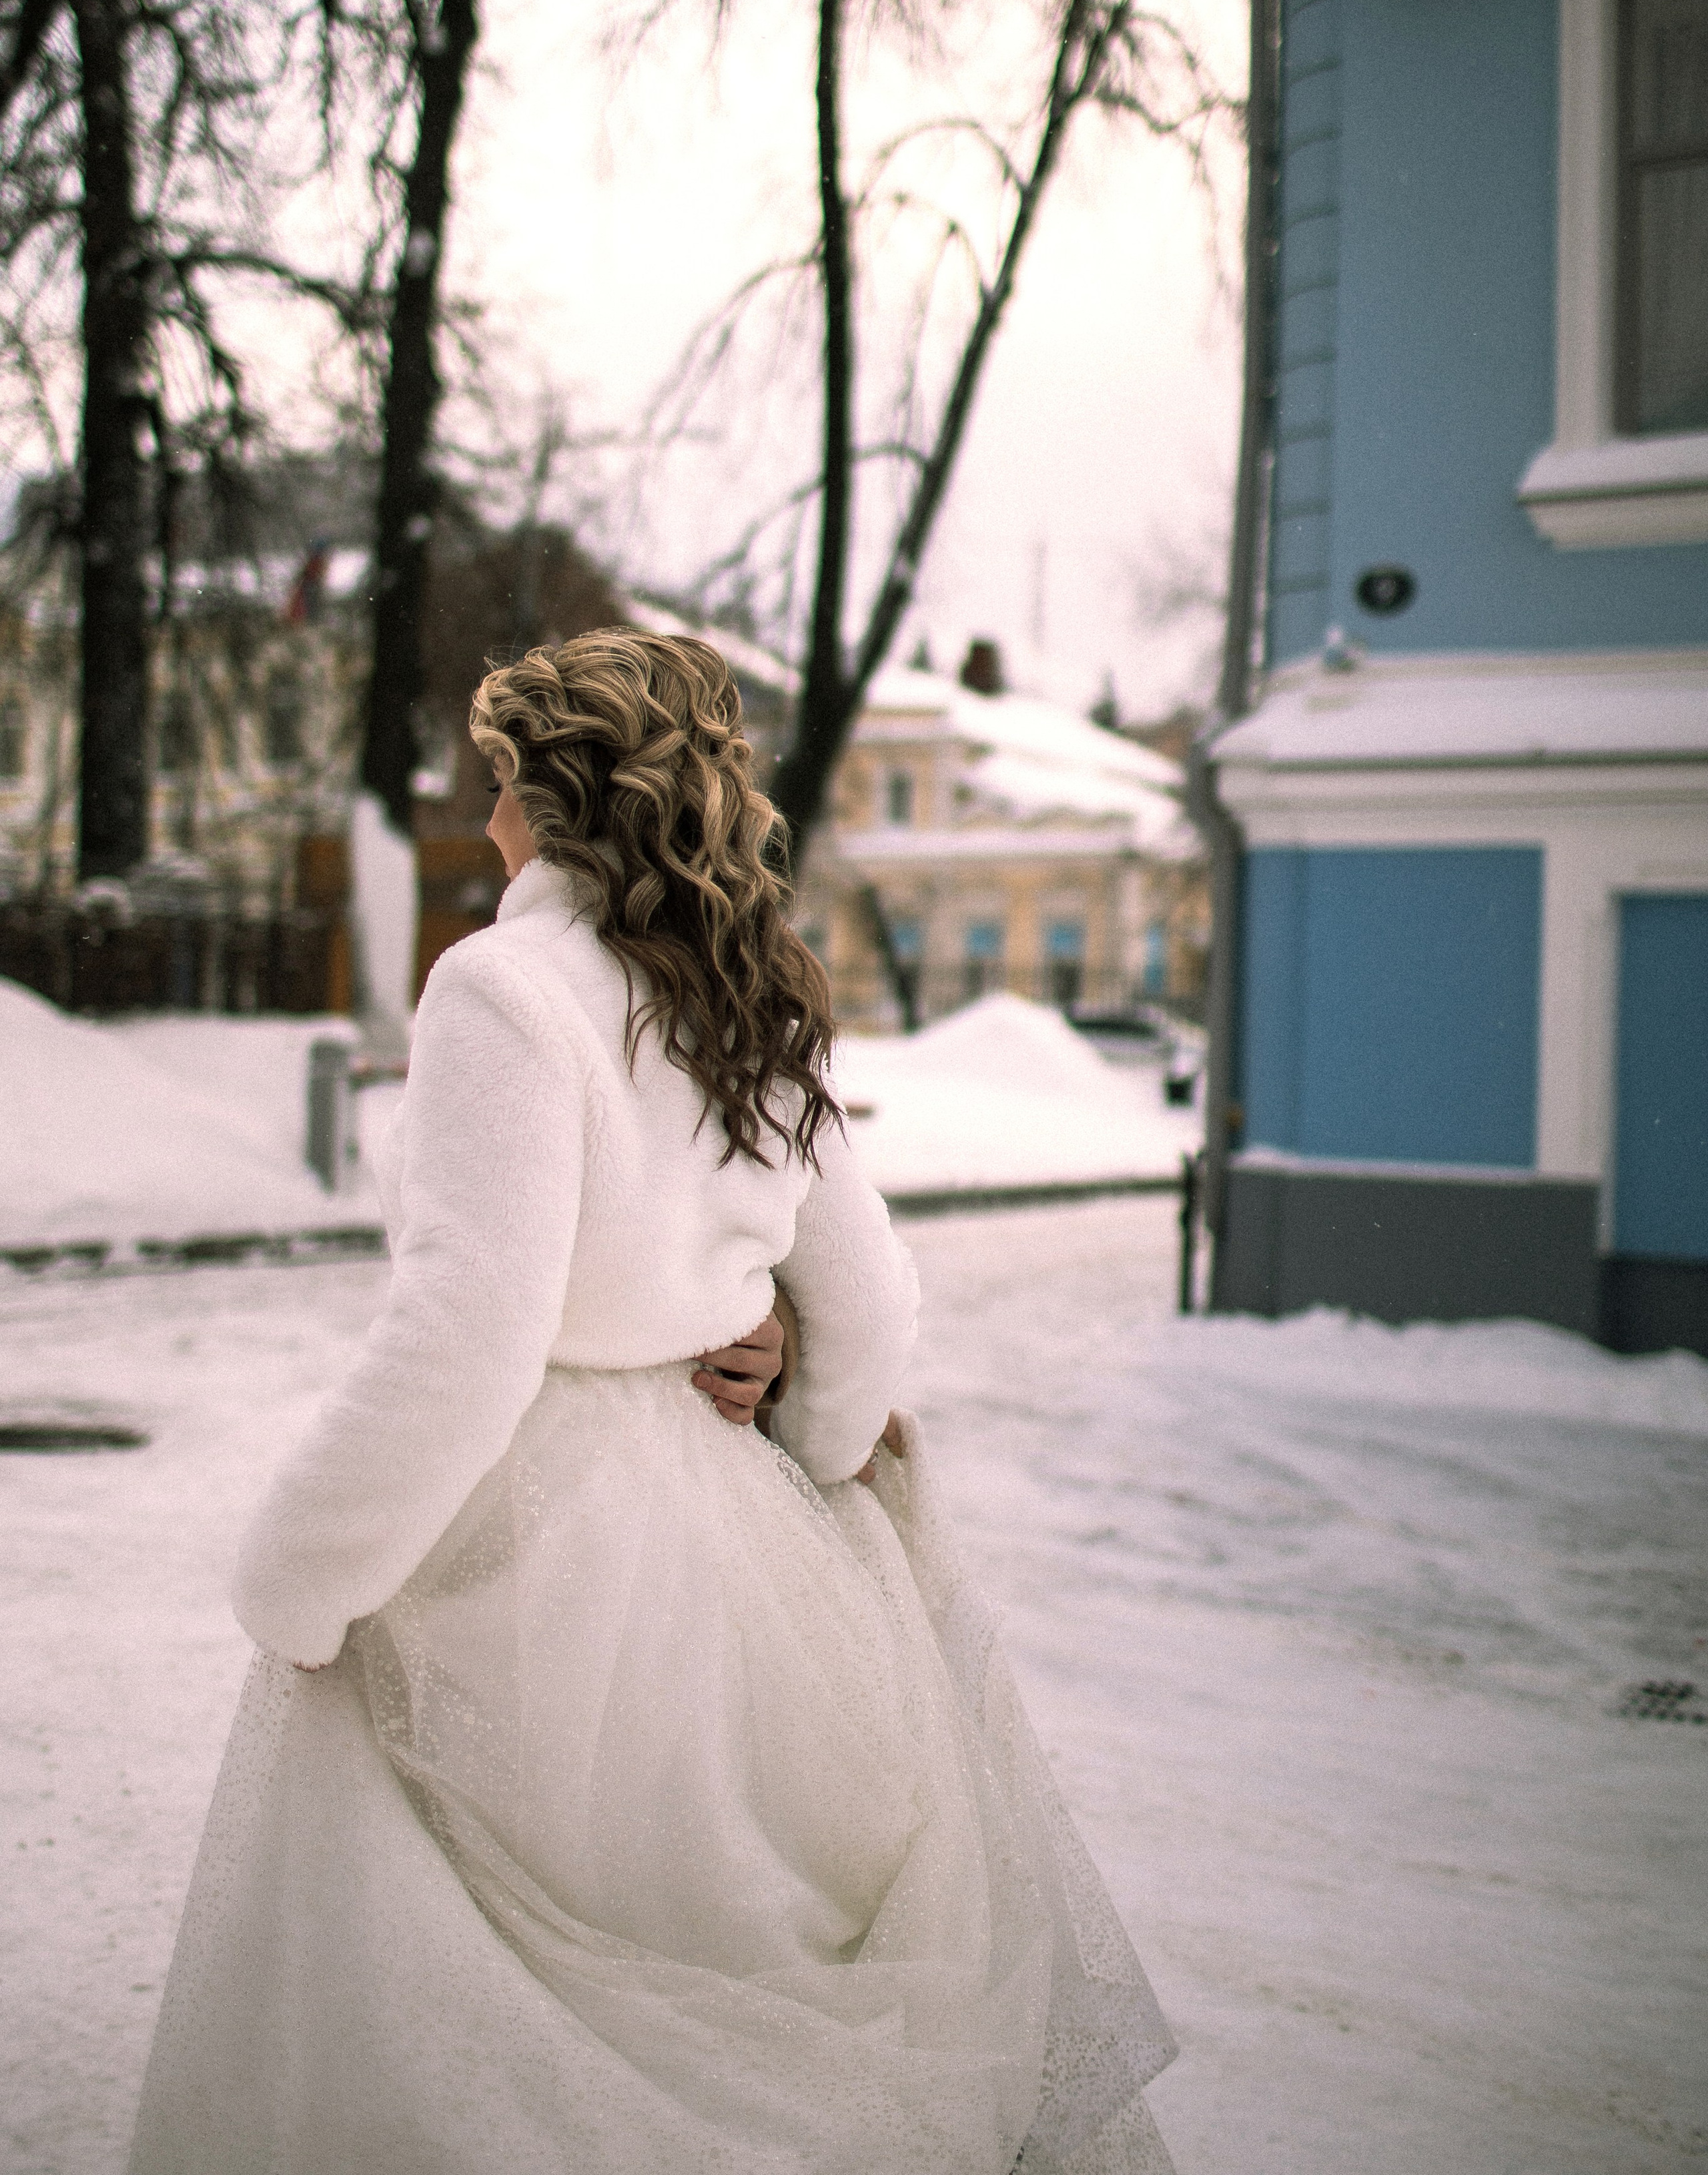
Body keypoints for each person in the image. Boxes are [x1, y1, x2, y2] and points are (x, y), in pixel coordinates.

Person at [129, 632, 1176, 2175]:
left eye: (497, 781)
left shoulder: (501, 990)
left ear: (552, 800)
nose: (481, 815)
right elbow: (869, 1303)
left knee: (484, 2018)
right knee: (731, 1984)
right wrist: (806, 1453)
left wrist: (302, 1570)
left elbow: (467, 1331)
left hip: (536, 1552)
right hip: (737, 1540)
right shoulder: (752, 994)